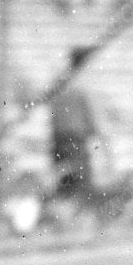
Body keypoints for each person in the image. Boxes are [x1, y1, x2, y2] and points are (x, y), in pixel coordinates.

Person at [49, 49, 100, 203]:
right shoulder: (80, 84)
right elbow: (90, 116)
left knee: (64, 181)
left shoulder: (60, 82)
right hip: (75, 138)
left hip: (59, 138)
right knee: (79, 182)